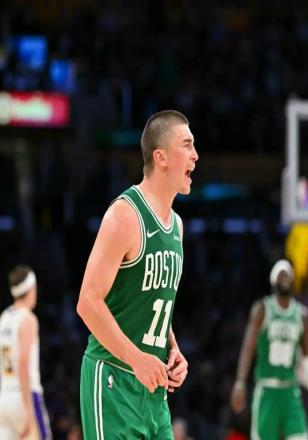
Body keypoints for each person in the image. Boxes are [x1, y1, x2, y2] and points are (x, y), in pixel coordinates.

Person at [76, 110, 198, 438]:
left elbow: (152, 303)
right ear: (161, 157)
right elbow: (87, 302)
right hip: (113, 379)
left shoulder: (177, 226)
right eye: (187, 145)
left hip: (153, 388)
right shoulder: (125, 215)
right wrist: (136, 359)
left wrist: (172, 347)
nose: (195, 155)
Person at [230, 259, 308, 440]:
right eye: (281, 274)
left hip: (290, 391)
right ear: (273, 280)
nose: (285, 278)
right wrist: (240, 382)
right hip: (267, 390)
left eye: (288, 275)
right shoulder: (262, 309)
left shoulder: (302, 315)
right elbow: (248, 348)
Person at [0, 265, 52, 439]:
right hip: (25, 395)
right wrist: (28, 410)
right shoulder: (28, 318)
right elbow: (23, 362)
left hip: (3, 398)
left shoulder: (3, 318)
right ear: (31, 288)